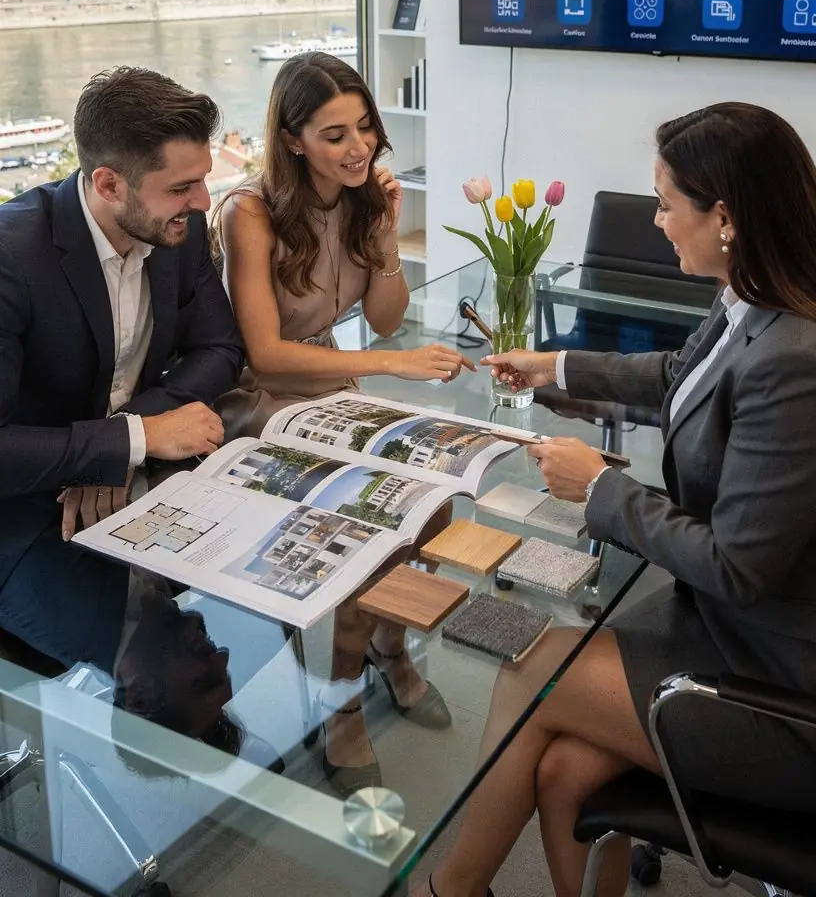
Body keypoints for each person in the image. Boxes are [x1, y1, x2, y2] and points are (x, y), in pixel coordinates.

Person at [422, 102, 816, 897]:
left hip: (783, 685)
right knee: (566, 767)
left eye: (669, 203)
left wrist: (601, 489)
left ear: (728, 218)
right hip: (730, 629)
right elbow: (678, 378)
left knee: (527, 672)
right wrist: (555, 369)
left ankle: (447, 892)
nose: (660, 220)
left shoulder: (795, 359)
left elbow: (737, 566)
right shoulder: (753, 298)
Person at [216, 51, 473, 795]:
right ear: (292, 139)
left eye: (363, 127)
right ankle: (341, 702)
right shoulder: (250, 213)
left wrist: (388, 236)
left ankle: (389, 646)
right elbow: (263, 352)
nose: (359, 146)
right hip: (256, 400)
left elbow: (386, 321)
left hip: (329, 387)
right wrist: (388, 373)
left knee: (433, 504)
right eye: (335, 135)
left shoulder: (364, 198)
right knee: (360, 529)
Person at [0, 66, 243, 673]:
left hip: (138, 480)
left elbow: (222, 348)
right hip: (23, 515)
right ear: (109, 183)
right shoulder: (11, 257)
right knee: (154, 662)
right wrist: (131, 440)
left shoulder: (174, 229)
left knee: (253, 608)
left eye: (203, 181)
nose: (203, 202)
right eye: (183, 186)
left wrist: (125, 441)